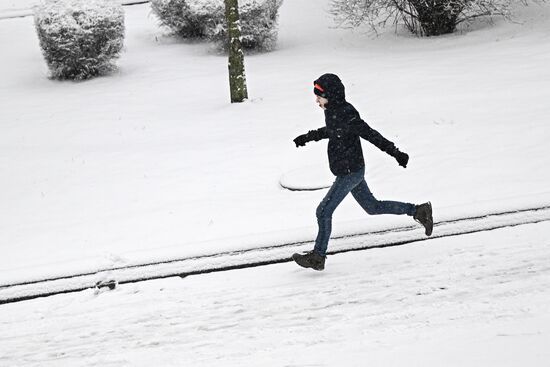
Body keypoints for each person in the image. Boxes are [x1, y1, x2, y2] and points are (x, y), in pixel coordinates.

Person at [291, 73, 433, 271]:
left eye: (319, 96)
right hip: (351, 169)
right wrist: (308, 137)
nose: (317, 100)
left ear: (331, 95)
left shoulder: (347, 114)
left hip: (350, 172)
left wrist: (396, 153)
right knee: (372, 207)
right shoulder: (333, 111)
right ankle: (418, 210)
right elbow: (332, 130)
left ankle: (318, 256)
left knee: (323, 211)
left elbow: (371, 134)